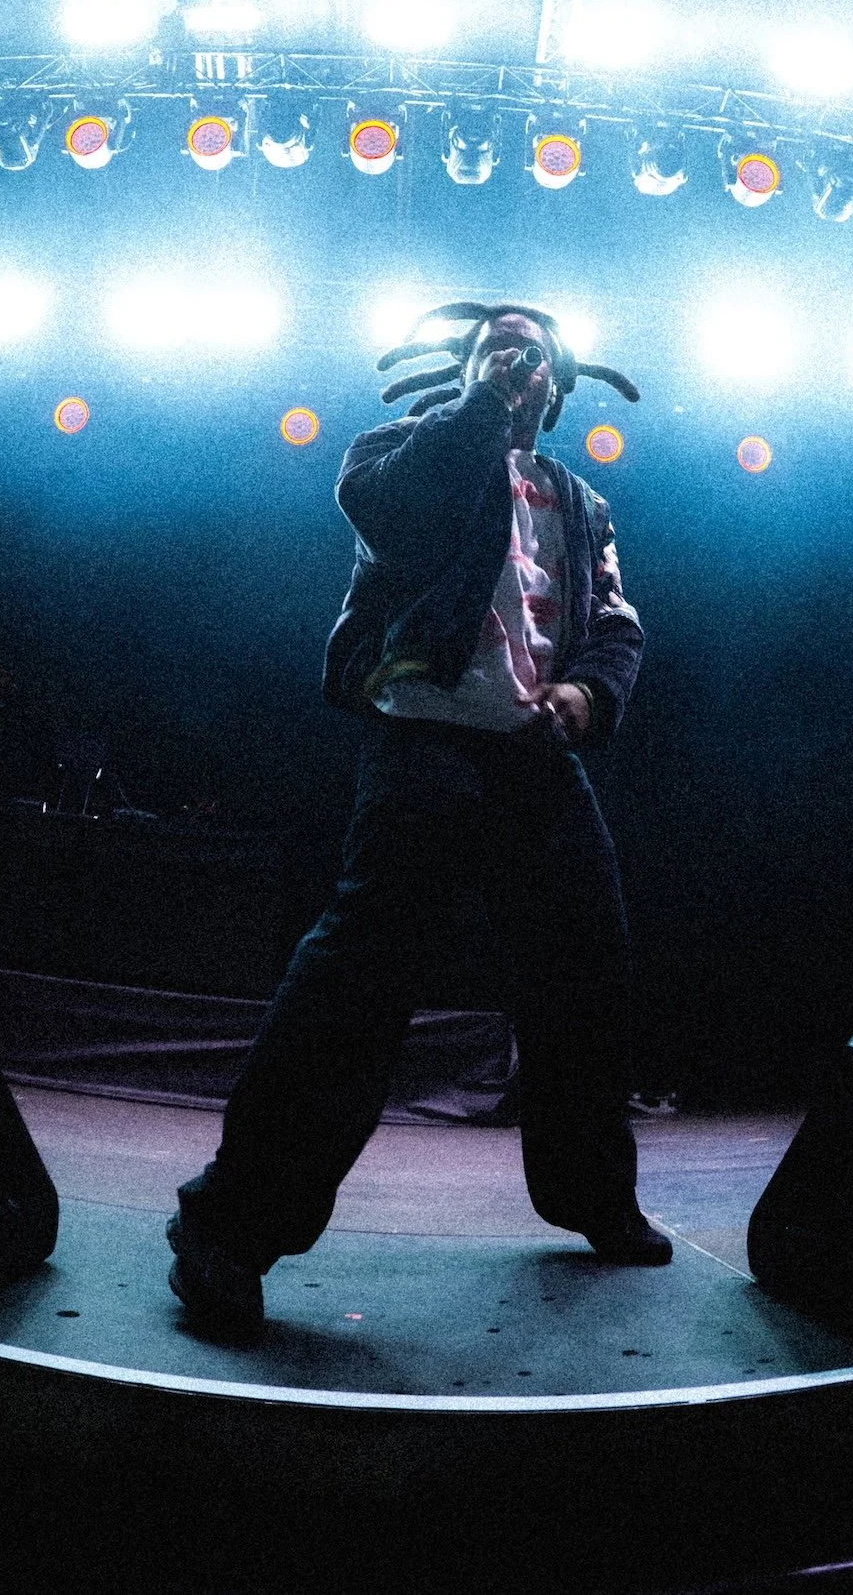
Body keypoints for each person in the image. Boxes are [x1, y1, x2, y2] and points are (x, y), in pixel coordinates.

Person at [168, 301, 665, 1336]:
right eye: (495, 345)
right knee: (359, 978)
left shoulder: (581, 503)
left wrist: (586, 692)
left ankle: (591, 1194)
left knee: (587, 967)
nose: (515, 357)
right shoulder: (395, 452)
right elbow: (397, 516)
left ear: (560, 387)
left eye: (533, 351)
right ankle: (229, 1228)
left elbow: (616, 623)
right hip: (423, 738)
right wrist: (479, 408)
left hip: (531, 757)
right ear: (464, 368)